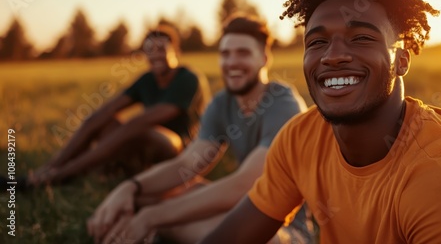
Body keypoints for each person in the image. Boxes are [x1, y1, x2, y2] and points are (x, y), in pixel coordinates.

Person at [200, 0, 441, 243]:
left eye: (361, 38)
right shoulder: (299, 138)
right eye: (317, 42)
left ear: (402, 60)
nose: (332, 56)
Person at [86, 14, 314, 244]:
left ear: (264, 58)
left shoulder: (282, 103)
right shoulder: (221, 103)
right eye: (225, 54)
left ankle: (152, 228)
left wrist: (152, 217)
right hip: (244, 209)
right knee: (161, 194)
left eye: (243, 53)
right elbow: (186, 164)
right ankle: (146, 223)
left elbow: (247, 184)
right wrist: (131, 188)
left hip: (283, 228)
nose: (232, 62)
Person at [28, 25, 210, 186]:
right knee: (103, 121)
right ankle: (48, 170)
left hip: (182, 151)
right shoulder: (147, 80)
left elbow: (155, 116)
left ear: (176, 52)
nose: (155, 55)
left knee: (137, 125)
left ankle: (63, 175)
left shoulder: (188, 79)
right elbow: (109, 109)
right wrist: (94, 122)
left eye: (161, 49)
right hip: (147, 144)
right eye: (150, 50)